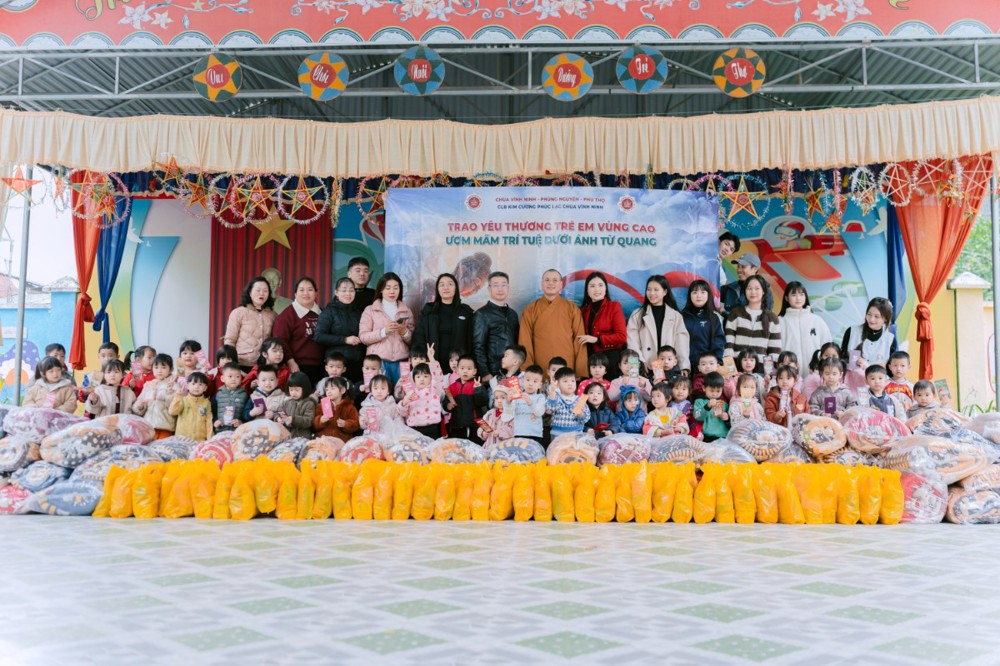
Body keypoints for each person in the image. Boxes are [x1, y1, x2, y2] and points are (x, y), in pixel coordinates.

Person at [519, 269, 589, 378]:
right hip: (540, 365)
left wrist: (580, 372)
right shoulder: (530, 309)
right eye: (547, 280)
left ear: (561, 285)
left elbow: (579, 341)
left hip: (567, 364)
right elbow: (525, 341)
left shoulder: (572, 308)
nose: (551, 283)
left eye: (555, 280)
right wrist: (527, 370)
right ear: (542, 284)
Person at [359, 272, 414, 387]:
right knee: (379, 394)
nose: (392, 291)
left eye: (396, 288)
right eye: (388, 288)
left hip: (402, 362)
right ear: (380, 290)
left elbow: (413, 340)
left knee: (402, 393)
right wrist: (384, 331)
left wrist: (404, 332)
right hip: (378, 362)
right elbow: (363, 337)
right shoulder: (370, 310)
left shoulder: (406, 311)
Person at [626, 275, 691, 372]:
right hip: (644, 367)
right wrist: (636, 368)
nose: (652, 293)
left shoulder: (675, 315)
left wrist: (684, 366)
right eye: (649, 289)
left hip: (669, 368)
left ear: (665, 292)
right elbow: (632, 344)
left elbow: (681, 343)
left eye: (656, 290)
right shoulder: (637, 315)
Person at [272, 277, 325, 385]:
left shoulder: (323, 313)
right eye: (301, 290)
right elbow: (281, 341)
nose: (306, 293)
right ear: (295, 294)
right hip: (298, 366)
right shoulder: (286, 316)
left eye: (310, 289)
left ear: (316, 293)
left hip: (323, 366)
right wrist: (290, 361)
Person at [411, 273, 475, 363]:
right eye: (442, 285)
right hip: (432, 363)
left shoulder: (466, 312)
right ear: (437, 289)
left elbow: (471, 342)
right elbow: (419, 338)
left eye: (450, 284)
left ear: (455, 288)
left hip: (458, 365)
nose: (446, 288)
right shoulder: (428, 311)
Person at [314, 277, 365, 383]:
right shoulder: (329, 312)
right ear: (336, 292)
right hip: (336, 365)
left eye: (351, 290)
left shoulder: (358, 312)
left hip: (356, 363)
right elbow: (318, 336)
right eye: (344, 290)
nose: (348, 293)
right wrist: (345, 340)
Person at [578, 272, 628, 379]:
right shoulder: (583, 311)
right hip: (590, 361)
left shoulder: (614, 306)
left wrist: (597, 339)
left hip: (609, 360)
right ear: (587, 290)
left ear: (606, 289)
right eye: (592, 286)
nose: (597, 289)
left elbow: (622, 337)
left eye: (600, 285)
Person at [472, 271, 520, 384]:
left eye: (503, 285)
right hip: (493, 372)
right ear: (489, 289)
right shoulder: (482, 314)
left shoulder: (513, 314)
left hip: (513, 370)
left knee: (515, 396)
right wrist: (484, 372)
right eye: (496, 285)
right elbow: (478, 346)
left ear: (508, 288)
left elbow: (517, 342)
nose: (500, 289)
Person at [779, 282, 832, 380]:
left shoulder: (817, 320)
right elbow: (776, 350)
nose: (798, 298)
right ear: (786, 298)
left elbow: (827, 348)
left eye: (801, 294)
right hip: (788, 378)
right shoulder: (781, 321)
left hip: (815, 376)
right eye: (794, 295)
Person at [841, 297, 897, 388]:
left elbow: (892, 369)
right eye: (869, 314)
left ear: (885, 319)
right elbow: (841, 359)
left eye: (877, 316)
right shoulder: (851, 331)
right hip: (851, 387)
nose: (871, 319)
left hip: (878, 389)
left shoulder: (890, 339)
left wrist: (869, 366)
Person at [224, 276, 277, 370]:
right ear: (249, 292)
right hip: (242, 364)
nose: (262, 293)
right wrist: (230, 364)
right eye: (258, 290)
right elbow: (230, 340)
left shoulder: (273, 315)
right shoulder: (238, 313)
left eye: (265, 291)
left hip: (265, 365)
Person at [724, 275, 781, 361]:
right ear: (745, 291)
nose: (753, 292)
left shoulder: (772, 318)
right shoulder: (735, 313)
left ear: (763, 291)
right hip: (737, 366)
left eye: (757, 288)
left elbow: (775, 352)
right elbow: (728, 346)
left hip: (761, 367)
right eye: (749, 288)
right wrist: (731, 366)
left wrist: (767, 369)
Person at [132, 354, 178, 439]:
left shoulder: (174, 386)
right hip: (148, 426)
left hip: (165, 427)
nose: (159, 371)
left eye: (163, 367)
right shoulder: (149, 385)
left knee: (162, 447)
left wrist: (170, 392)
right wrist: (140, 406)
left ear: (171, 369)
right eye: (156, 367)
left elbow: (174, 409)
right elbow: (139, 404)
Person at [681, 279, 725, 366]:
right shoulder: (681, 316)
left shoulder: (714, 317)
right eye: (694, 292)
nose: (699, 296)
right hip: (685, 366)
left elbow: (718, 342)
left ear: (708, 295)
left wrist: (717, 361)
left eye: (703, 292)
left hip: (706, 367)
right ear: (689, 295)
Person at [397, 363, 445, 439]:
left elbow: (438, 378)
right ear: (413, 379)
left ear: (431, 377)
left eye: (425, 376)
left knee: (433, 446)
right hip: (414, 429)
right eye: (418, 377)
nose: (422, 379)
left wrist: (432, 360)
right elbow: (403, 413)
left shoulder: (434, 390)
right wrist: (404, 403)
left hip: (432, 427)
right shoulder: (410, 393)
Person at [445, 355, 487, 442]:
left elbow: (482, 402)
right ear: (457, 370)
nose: (465, 371)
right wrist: (447, 405)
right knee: (457, 447)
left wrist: (478, 390)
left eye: (469, 369)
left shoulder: (477, 385)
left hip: (474, 425)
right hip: (457, 425)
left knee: (475, 447)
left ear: (474, 371)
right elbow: (445, 401)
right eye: (462, 368)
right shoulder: (452, 387)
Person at [169, 372, 213, 442]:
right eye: (193, 384)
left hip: (200, 441)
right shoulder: (183, 400)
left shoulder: (206, 403)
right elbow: (172, 412)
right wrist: (178, 396)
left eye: (200, 384)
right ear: (187, 386)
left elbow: (209, 423)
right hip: (182, 440)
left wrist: (210, 440)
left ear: (205, 388)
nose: (196, 387)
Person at [546, 366, 589, 436]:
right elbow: (550, 409)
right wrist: (553, 392)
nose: (570, 384)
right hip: (557, 433)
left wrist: (580, 414)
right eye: (565, 381)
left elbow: (585, 419)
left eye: (573, 381)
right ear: (557, 384)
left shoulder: (580, 399)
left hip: (576, 433)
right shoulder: (555, 396)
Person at [511, 365, 547, 444]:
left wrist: (531, 403)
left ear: (540, 385)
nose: (530, 384)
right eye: (528, 380)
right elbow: (510, 413)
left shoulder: (540, 397)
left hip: (535, 434)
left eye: (535, 381)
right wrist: (509, 401)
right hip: (519, 432)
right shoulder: (517, 396)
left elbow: (540, 412)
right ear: (522, 381)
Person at [279, 372, 316, 439]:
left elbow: (308, 421)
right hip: (286, 436)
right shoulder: (287, 402)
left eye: (297, 390)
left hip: (302, 437)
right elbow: (279, 412)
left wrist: (293, 419)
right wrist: (278, 418)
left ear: (305, 389)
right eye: (291, 390)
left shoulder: (309, 403)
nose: (293, 393)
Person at [694, 372, 730, 442]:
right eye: (712, 391)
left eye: (718, 391)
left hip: (723, 437)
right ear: (704, 388)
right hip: (707, 437)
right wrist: (707, 406)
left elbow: (732, 424)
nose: (714, 394)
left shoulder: (724, 404)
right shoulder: (699, 402)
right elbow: (697, 417)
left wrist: (727, 419)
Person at [477, 384, 515, 450]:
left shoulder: (510, 414)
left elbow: (512, 429)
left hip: (503, 448)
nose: (499, 401)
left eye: (503, 398)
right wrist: (483, 433)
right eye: (496, 398)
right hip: (489, 447)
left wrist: (500, 432)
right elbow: (482, 426)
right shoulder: (489, 414)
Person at [212, 364, 248, 432]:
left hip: (238, 431)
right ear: (222, 378)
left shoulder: (244, 395)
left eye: (237, 376)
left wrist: (240, 422)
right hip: (220, 431)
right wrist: (215, 421)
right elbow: (212, 411)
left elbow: (247, 414)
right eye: (230, 376)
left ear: (241, 378)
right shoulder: (218, 394)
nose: (233, 379)